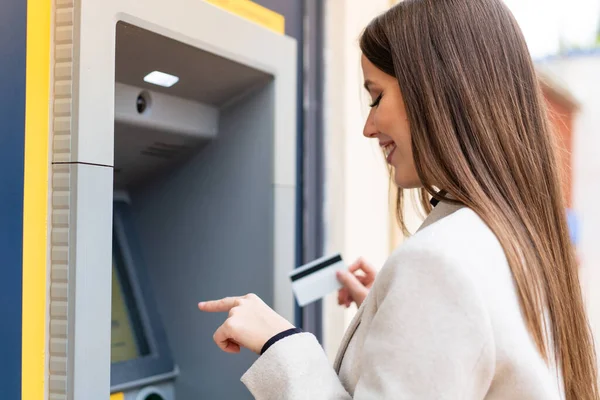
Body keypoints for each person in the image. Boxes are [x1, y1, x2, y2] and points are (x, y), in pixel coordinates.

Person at [198, 0, 599, 398]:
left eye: (376, 97)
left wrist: (280, 342)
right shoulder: (515, 237)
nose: (368, 128)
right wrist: (393, 313)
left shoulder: (440, 264)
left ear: (436, 90)